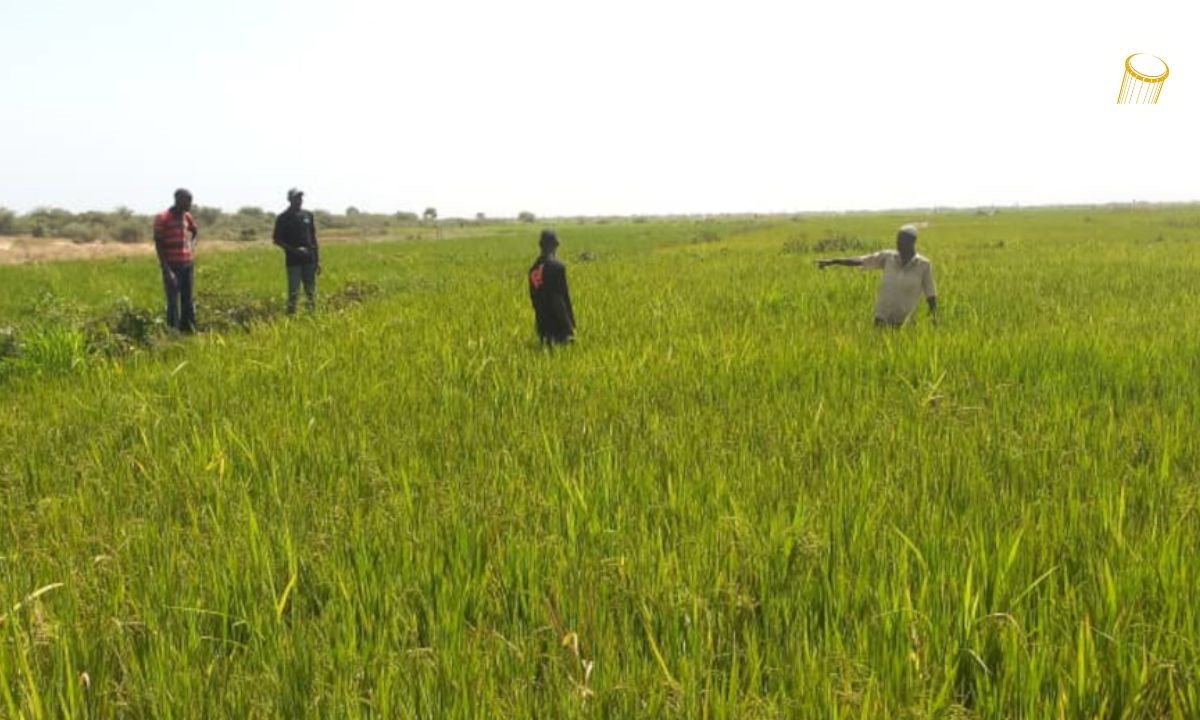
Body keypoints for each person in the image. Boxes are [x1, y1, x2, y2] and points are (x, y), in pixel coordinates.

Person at [818, 224, 938, 327]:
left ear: (912, 242)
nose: (898, 244)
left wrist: (933, 316)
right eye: (898, 240)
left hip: (905, 323)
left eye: (902, 241)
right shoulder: (888, 257)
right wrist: (834, 261)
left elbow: (930, 293)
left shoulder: (923, 265)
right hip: (882, 318)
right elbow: (861, 260)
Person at [152, 188, 199, 332]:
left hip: (187, 264)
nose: (190, 204)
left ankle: (189, 331)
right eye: (188, 201)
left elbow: (194, 230)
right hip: (171, 265)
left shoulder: (187, 217)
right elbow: (158, 244)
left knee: (187, 299)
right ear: (178, 200)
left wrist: (191, 246)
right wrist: (166, 270)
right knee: (173, 302)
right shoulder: (162, 217)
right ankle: (173, 332)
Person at [272, 188, 320, 314]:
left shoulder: (308, 215)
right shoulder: (283, 217)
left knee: (311, 292)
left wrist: (317, 260)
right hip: (293, 261)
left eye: (300, 197)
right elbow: (277, 240)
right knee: (294, 292)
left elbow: (313, 238)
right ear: (289, 200)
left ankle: (312, 315)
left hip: (309, 260)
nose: (299, 200)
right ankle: (291, 317)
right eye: (296, 198)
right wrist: (295, 250)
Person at [528, 228, 575, 344]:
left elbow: (535, 302)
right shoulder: (557, 267)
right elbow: (558, 300)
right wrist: (568, 328)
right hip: (559, 331)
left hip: (542, 331)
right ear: (555, 245)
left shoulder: (533, 270)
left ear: (540, 245)